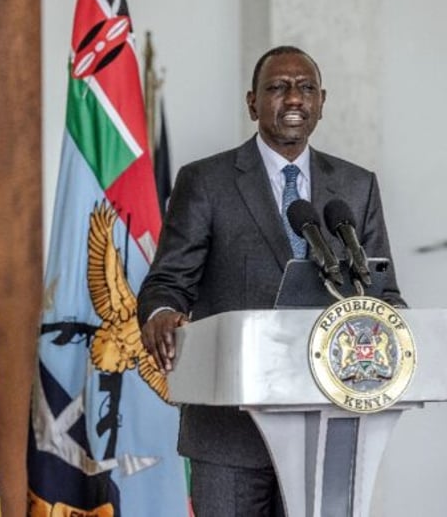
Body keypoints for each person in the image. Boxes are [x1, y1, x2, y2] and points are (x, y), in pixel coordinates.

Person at [137, 45, 404, 516]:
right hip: (230, 433)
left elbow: (385, 294)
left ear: (322, 101)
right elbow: (168, 282)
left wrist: (397, 335)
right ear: (252, 102)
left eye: (305, 88)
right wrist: (161, 315)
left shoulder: (356, 187)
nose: (293, 99)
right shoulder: (206, 181)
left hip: (331, 425)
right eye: (277, 88)